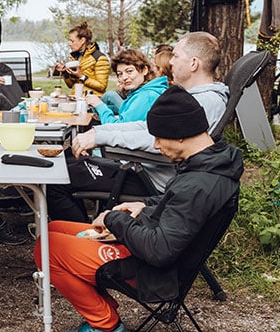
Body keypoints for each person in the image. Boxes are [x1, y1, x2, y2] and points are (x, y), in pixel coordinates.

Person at [34, 86, 243, 332]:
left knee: (46, 247)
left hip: (154, 271)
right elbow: (175, 204)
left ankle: (106, 326)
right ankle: (104, 309)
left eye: (158, 137)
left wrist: (114, 219)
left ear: (179, 135)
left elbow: (159, 251)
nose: (155, 145)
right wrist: (142, 205)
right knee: (55, 228)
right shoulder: (210, 164)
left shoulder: (198, 184)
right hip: (151, 246)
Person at [47, 31, 228, 222]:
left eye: (175, 56)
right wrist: (99, 132)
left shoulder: (206, 102)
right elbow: (149, 127)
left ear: (193, 64)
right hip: (146, 168)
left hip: (151, 176)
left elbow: (159, 141)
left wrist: (101, 137)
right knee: (65, 164)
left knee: (56, 179)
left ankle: (83, 236)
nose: (170, 62)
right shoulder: (194, 97)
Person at [85, 49, 168, 125]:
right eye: (120, 74)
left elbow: (119, 129)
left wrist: (99, 105)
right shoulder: (142, 92)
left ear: (144, 70)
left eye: (129, 71)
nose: (124, 77)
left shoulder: (146, 96)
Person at [54, 21, 111, 97]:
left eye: (72, 41)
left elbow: (102, 86)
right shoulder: (75, 57)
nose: (69, 44)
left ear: (82, 41)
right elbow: (70, 85)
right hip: (76, 98)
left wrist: (82, 77)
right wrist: (65, 72)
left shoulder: (100, 58)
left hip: (93, 100)